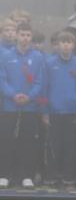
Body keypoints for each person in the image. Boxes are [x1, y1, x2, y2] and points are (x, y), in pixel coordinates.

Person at [0, 22, 46, 189]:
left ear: (31, 37)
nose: (25, 38)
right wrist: (13, 95)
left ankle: (26, 176)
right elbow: (2, 79)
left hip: (29, 107)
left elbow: (40, 81)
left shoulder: (38, 57)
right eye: (22, 35)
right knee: (6, 140)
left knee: (28, 141)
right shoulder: (5, 56)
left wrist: (29, 97)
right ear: (17, 35)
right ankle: (4, 175)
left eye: (28, 35)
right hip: (10, 106)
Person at [45, 30, 76, 186]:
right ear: (57, 44)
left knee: (71, 145)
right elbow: (45, 88)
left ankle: (69, 176)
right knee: (54, 144)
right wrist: (45, 111)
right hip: (54, 111)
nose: (65, 45)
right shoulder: (49, 63)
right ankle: (52, 175)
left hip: (73, 112)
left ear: (73, 45)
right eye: (63, 42)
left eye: (68, 42)